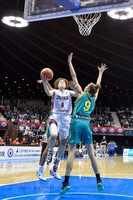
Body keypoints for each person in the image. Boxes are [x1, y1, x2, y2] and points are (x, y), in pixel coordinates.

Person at [59, 53, 107, 195]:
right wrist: (100, 73)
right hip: (87, 124)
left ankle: (66, 182)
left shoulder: (81, 93)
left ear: (86, 89)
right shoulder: (93, 98)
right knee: (91, 154)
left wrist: (70, 63)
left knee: (72, 152)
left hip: (77, 122)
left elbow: (74, 77)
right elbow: (98, 86)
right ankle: (98, 180)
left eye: (86, 86)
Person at [36, 75, 77, 181]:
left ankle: (54, 168)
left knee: (63, 143)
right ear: (57, 85)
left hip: (66, 119)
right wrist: (45, 83)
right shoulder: (54, 92)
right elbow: (48, 92)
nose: (62, 83)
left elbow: (78, 94)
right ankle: (46, 160)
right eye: (60, 82)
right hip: (56, 117)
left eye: (64, 82)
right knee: (53, 136)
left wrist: (75, 88)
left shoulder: (69, 93)